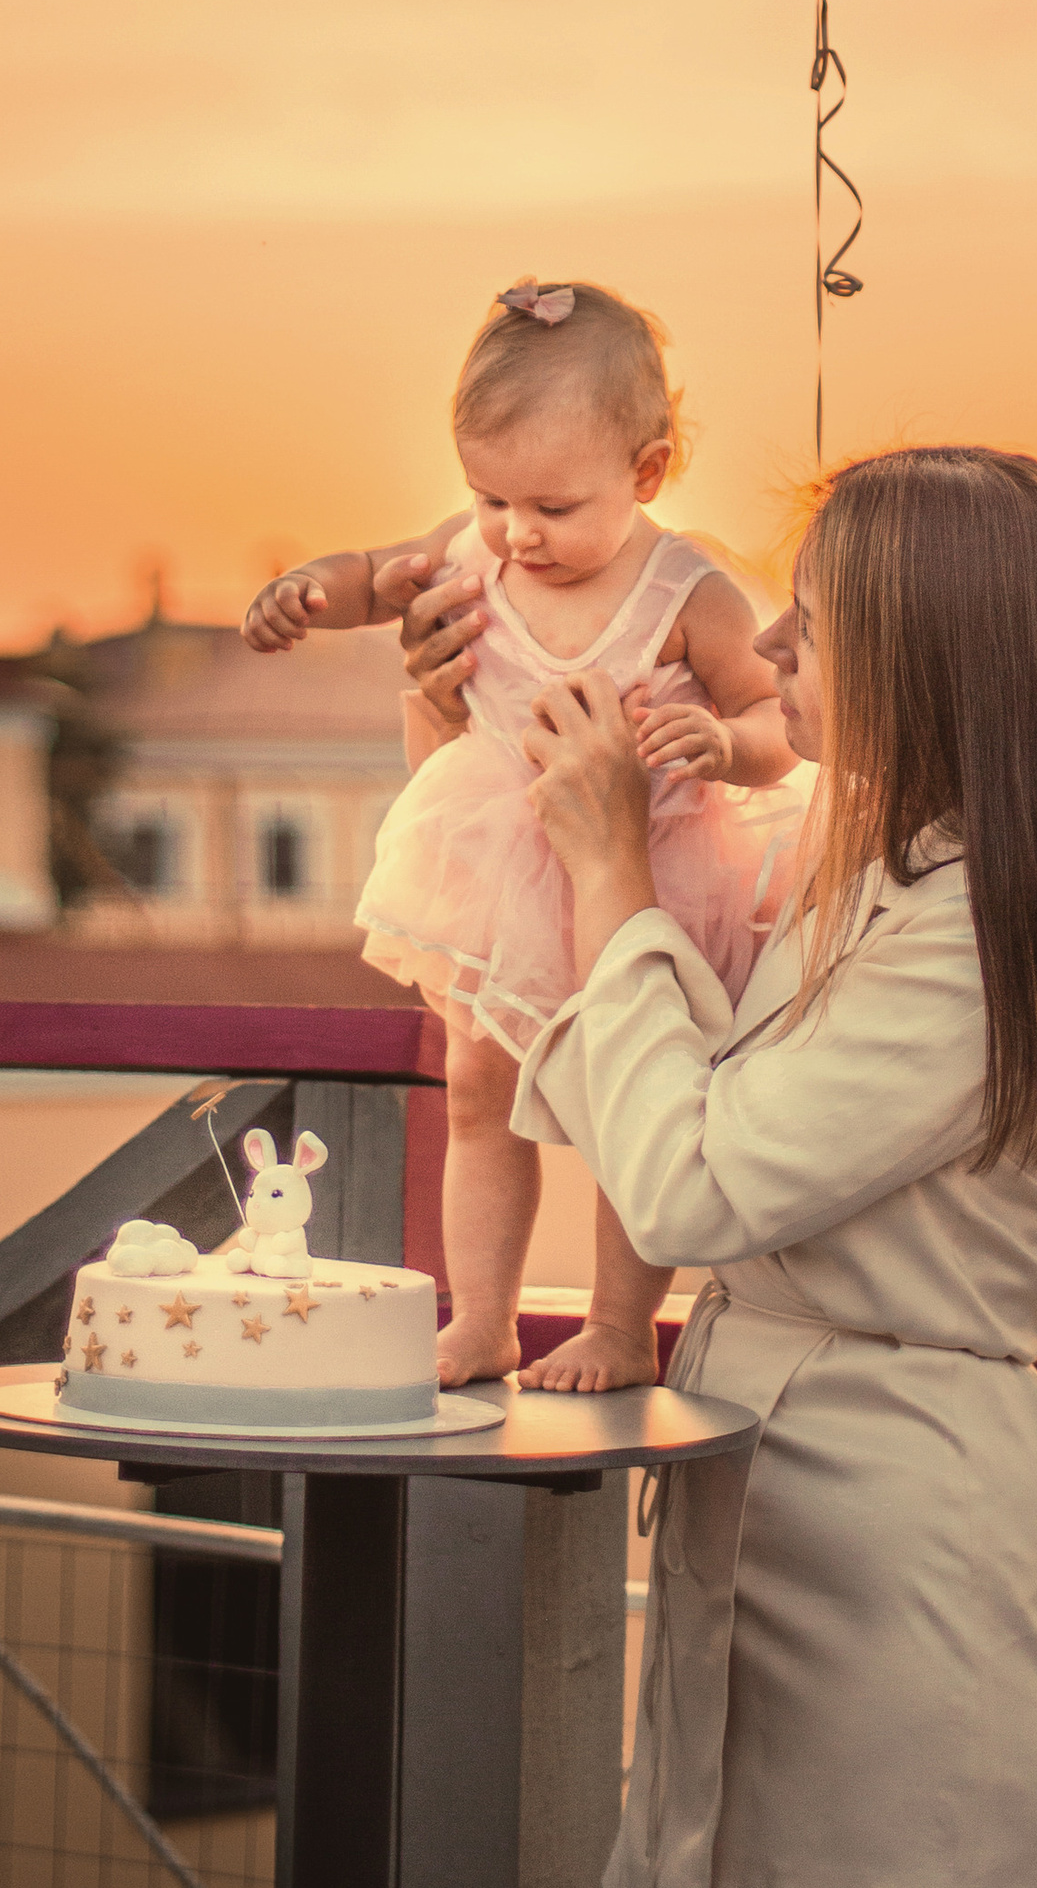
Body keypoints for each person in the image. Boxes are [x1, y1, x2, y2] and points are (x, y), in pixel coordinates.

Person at [508, 443, 1037, 1888]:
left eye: (816, 617)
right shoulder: (851, 849)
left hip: (907, 1554)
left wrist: (616, 868)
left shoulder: (972, 931)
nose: (774, 644)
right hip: (777, 1482)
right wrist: (456, 693)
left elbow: (686, 1187)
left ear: (921, 659)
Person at [240, 279, 800, 1392]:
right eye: (489, 497)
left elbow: (778, 719)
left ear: (644, 474)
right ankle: (483, 1315)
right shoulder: (471, 552)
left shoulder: (686, 587)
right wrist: (308, 589)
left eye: (550, 505)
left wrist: (724, 743)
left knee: (634, 1105)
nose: (514, 532)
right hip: (501, 866)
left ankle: (617, 1324)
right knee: (476, 1091)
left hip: (645, 871)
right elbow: (370, 574)